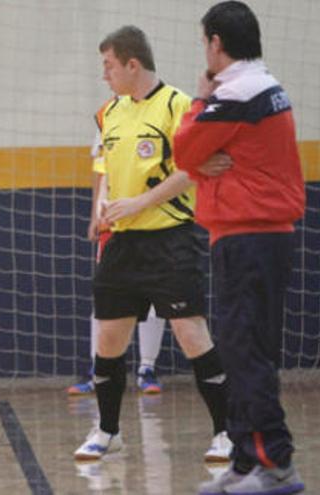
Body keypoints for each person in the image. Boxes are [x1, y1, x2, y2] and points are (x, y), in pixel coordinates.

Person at [72, 25, 232, 463]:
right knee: (108, 338)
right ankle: (107, 432)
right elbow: (105, 165)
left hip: (170, 238)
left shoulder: (178, 105)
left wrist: (140, 201)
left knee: (190, 332)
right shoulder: (109, 112)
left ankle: (225, 432)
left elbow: (195, 167)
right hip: (122, 243)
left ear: (132, 64)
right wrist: (101, 208)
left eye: (109, 65)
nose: (104, 74)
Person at [174, 2, 306, 493]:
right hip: (247, 236)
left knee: (246, 351)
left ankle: (277, 464)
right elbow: (197, 157)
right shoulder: (257, 86)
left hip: (251, 237)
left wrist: (198, 98)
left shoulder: (237, 93)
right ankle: (249, 459)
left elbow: (184, 150)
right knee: (238, 348)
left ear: (214, 43)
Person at [69, 123, 166, 396]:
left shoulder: (162, 110)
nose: (107, 77)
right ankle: (97, 368)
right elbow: (100, 170)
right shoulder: (106, 117)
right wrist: (94, 216)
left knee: (154, 298)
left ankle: (147, 368)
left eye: (111, 74)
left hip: (153, 219)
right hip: (113, 221)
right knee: (106, 296)